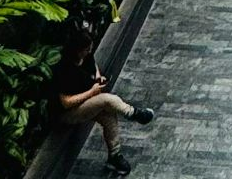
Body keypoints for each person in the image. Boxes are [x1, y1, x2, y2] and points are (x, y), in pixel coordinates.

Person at [49, 27, 155, 175]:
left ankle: (115, 156)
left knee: (109, 116)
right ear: (78, 50)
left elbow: (93, 66)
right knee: (106, 100)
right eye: (87, 49)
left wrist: (98, 77)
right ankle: (133, 113)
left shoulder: (86, 56)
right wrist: (91, 92)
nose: (89, 51)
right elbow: (65, 102)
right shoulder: (64, 69)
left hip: (87, 102)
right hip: (69, 112)